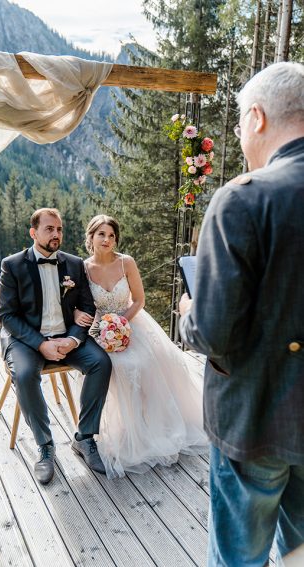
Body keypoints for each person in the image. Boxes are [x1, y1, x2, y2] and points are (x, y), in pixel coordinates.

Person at [178, 61, 304, 566]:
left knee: (239, 559)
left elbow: (211, 331)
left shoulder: (243, 200)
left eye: (236, 123)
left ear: (256, 118)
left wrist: (189, 310)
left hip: (254, 423)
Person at [74, 214, 208, 479]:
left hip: (131, 322)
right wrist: (102, 326)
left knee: (144, 362)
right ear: (91, 237)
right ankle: (122, 428)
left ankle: (152, 425)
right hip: (101, 329)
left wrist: (121, 321)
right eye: (101, 234)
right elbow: (80, 304)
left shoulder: (126, 262)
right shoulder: (83, 268)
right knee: (112, 366)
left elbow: (139, 300)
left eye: (111, 235)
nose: (107, 240)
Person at [0, 208, 112, 484]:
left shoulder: (74, 264)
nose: (56, 234)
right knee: (24, 375)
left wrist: (72, 339)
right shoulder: (12, 265)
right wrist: (41, 345)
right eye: (49, 229)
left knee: (101, 363)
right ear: (33, 232)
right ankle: (45, 445)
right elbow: (7, 315)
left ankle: (84, 437)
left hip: (66, 336)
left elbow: (86, 306)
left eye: (59, 229)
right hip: (27, 340)